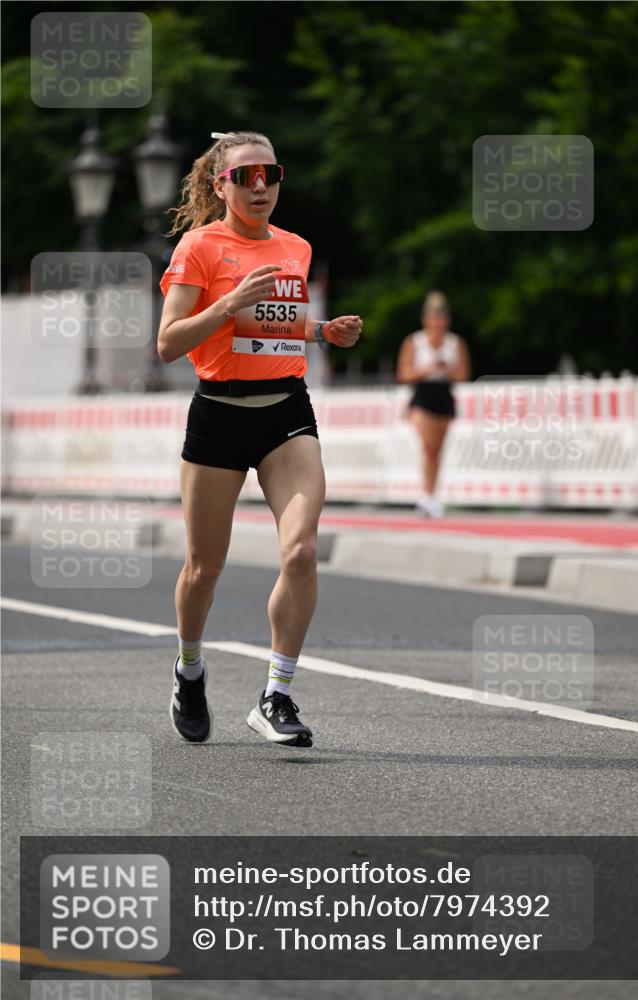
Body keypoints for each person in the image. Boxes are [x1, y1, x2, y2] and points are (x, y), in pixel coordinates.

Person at [158, 130, 362, 748]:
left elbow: (278, 326)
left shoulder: (296, 247)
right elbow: (169, 343)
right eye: (245, 176)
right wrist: (228, 304)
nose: (260, 187)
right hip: (218, 415)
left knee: (301, 551)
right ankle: (189, 669)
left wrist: (324, 331)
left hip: (285, 414)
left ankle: (277, 694)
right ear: (221, 185)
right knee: (204, 568)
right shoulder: (200, 247)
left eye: (270, 174)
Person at [396, 291, 471, 518]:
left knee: (438, 448)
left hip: (444, 393)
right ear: (426, 320)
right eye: (433, 318)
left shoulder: (455, 343)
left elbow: (463, 373)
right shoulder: (415, 341)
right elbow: (404, 373)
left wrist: (446, 369)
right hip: (422, 394)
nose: (437, 323)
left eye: (441, 319)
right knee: (428, 446)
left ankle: (431, 495)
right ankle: (426, 494)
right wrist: (427, 369)